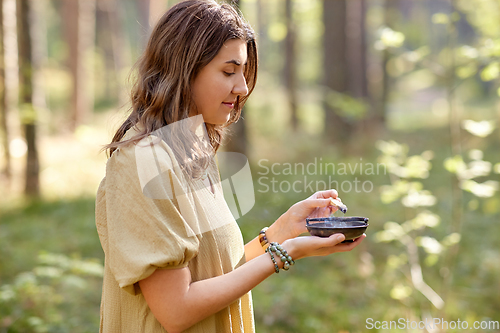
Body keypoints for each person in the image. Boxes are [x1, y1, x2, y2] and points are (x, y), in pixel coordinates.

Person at [95, 1, 365, 332]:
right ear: (184, 69)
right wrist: (285, 254)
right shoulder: (141, 163)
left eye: (244, 71)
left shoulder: (191, 148)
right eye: (228, 71)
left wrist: (282, 231)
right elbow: (176, 309)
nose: (243, 87)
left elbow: (217, 273)